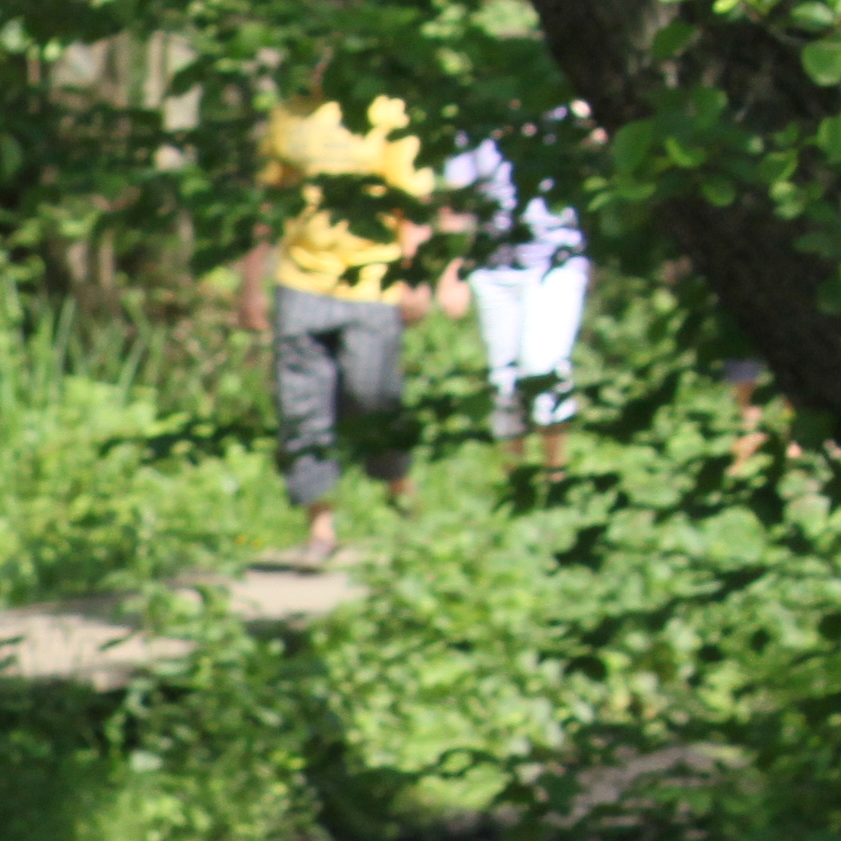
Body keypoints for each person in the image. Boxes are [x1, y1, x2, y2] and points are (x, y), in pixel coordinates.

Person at [234, 95, 460, 558]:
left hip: (373, 280)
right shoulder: (288, 113)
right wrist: (250, 284)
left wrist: (416, 278)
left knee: (372, 395)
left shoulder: (388, 111)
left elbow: (411, 202)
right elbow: (266, 204)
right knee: (302, 406)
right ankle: (320, 528)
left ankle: (399, 490)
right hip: (300, 280)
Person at [445, 124, 593, 472]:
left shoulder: (563, 118)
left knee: (544, 366)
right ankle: (515, 477)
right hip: (493, 270)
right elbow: (457, 202)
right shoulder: (474, 124)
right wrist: (454, 269)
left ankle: (555, 472)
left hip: (554, 263)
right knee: (503, 377)